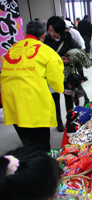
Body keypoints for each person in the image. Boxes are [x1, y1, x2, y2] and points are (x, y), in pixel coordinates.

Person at [1, 21, 64, 152]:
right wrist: (59, 88)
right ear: (43, 35)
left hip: (11, 99)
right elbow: (57, 83)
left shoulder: (13, 48)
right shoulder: (46, 51)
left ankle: (29, 155)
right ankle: (42, 166)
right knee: (41, 141)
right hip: (33, 99)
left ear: (25, 33)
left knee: (26, 138)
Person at [44, 16, 81, 132]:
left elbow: (78, 49)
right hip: (52, 73)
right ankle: (59, 122)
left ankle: (70, 120)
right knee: (54, 99)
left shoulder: (67, 37)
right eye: (49, 30)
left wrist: (70, 59)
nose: (51, 34)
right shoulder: (45, 39)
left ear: (60, 30)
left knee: (68, 97)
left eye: (55, 31)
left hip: (66, 72)